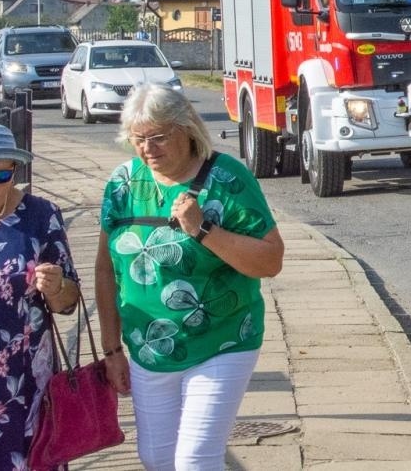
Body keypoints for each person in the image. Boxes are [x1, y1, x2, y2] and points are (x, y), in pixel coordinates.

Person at [96, 85, 284, 471]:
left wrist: (203, 230)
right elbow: (104, 268)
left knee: (195, 461)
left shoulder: (227, 178)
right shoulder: (122, 184)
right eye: (139, 138)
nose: (148, 148)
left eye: (159, 136)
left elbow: (270, 260)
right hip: (149, 349)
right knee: (157, 458)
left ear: (187, 128)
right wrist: (112, 349)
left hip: (223, 339)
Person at [0, 121, 81, 469]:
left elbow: (68, 304)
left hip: (23, 381)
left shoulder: (40, 216)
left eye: (0, 176)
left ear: (14, 171)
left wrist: (57, 286)